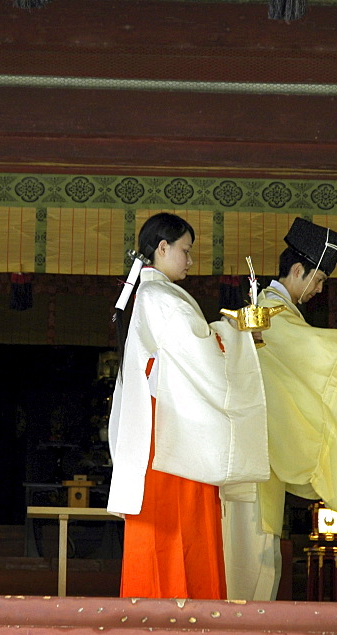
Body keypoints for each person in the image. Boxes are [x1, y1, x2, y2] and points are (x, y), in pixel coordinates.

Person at [222, 216, 337, 601]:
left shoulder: (280, 311)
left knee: (261, 550)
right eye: (319, 279)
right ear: (297, 270)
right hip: (253, 448)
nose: (320, 290)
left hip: (263, 447)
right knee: (253, 554)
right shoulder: (270, 312)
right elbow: (318, 355)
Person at [107, 212, 268, 600]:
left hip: (167, 432)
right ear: (162, 248)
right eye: (185, 250)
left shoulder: (155, 295)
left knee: (171, 533)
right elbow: (202, 354)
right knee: (178, 528)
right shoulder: (159, 297)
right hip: (170, 440)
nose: (190, 260)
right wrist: (242, 331)